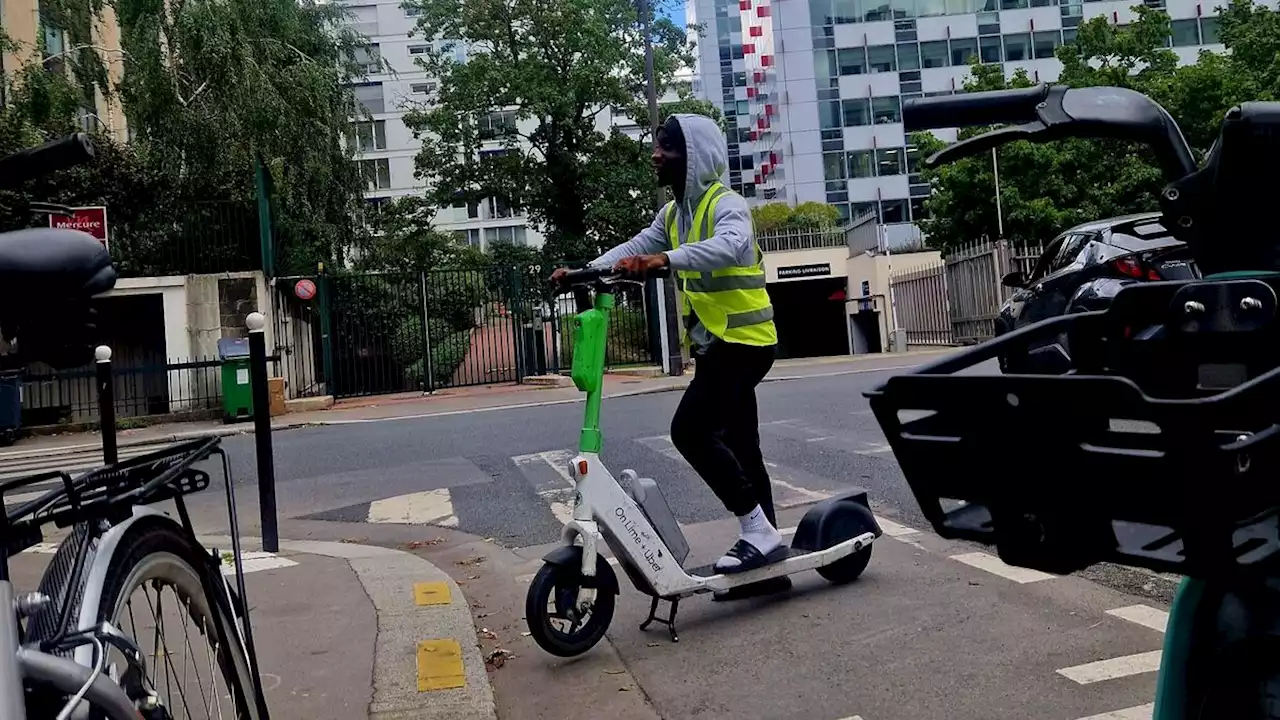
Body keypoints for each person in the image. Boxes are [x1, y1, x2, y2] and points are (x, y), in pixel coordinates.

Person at [552, 113, 786, 597]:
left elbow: (730, 246)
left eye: (667, 147)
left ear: (694, 156)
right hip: (719, 345)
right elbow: (636, 248)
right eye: (657, 145)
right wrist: (583, 271)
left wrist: (664, 260)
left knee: (690, 431)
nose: (655, 153)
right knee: (744, 448)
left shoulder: (728, 205)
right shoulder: (674, 215)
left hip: (745, 344)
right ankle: (770, 565)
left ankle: (759, 533)